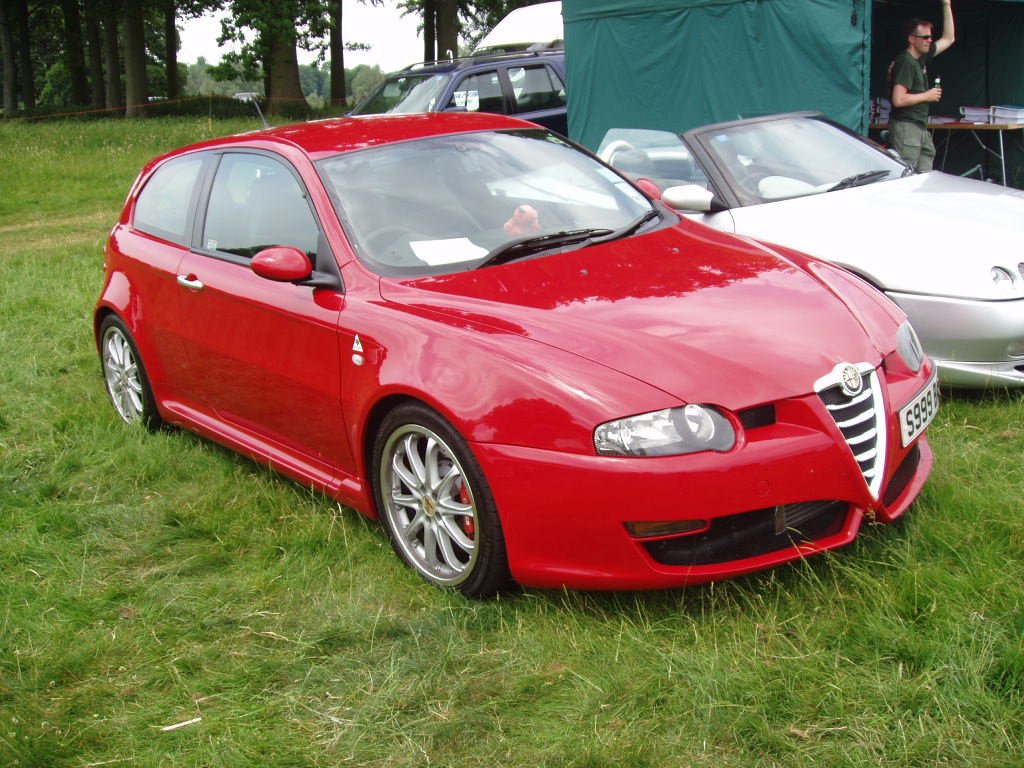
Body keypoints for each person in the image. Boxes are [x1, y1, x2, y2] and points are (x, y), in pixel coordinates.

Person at [888, 1, 956, 172]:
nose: (929, 40)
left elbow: (949, 39)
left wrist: (946, 5)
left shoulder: (921, 58)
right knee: (907, 175)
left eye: (930, 37)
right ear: (912, 39)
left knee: (925, 173)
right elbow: (898, 99)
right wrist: (928, 95)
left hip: (919, 127)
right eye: (925, 37)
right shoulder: (906, 61)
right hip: (907, 126)